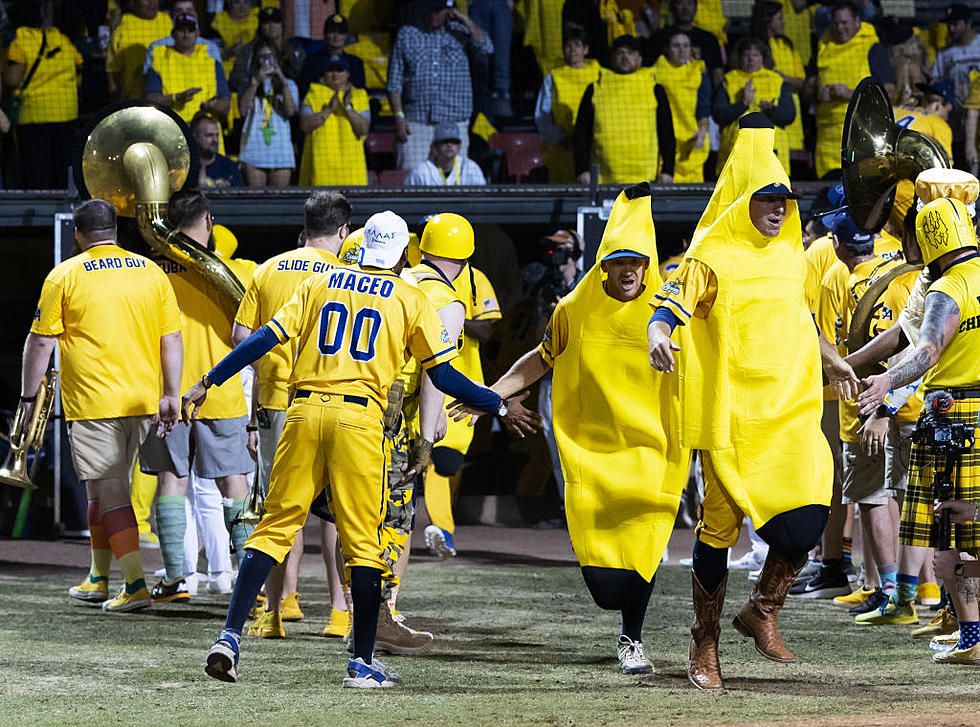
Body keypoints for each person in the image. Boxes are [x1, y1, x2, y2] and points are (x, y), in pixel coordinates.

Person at [193, 211, 527, 688]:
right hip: (360, 422)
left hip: (303, 411)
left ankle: (229, 636)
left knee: (273, 529)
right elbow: (445, 377)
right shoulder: (411, 297)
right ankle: (362, 662)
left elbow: (262, 339)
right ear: (401, 254)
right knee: (363, 544)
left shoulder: (320, 282)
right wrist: (498, 403)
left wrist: (207, 381)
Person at [451, 183, 689, 675]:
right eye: (619, 261)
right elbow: (539, 361)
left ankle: (632, 639)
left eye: (637, 261)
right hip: (591, 452)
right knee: (605, 586)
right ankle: (621, 617)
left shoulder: (666, 309)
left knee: (643, 553)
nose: (629, 271)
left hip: (653, 448)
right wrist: (488, 397)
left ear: (647, 264)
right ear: (603, 264)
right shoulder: (573, 309)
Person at [648, 114, 837, 690]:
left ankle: (763, 608)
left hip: (791, 416)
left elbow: (802, 324)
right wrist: (659, 330)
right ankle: (704, 646)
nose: (779, 207)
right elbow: (672, 303)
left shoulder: (791, 256)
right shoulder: (711, 255)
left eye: (784, 197)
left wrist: (836, 358)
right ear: (743, 199)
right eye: (767, 197)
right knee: (718, 533)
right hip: (733, 420)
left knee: (808, 518)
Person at [23, 199, 182, 612]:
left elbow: (41, 342)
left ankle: (135, 584)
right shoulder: (150, 271)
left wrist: (27, 396)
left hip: (95, 403)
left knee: (111, 492)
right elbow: (172, 339)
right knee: (100, 488)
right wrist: (171, 392)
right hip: (144, 400)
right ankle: (98, 577)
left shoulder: (65, 275)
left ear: (77, 234)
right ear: (116, 230)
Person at [857, 193, 980, 665]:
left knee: (951, 535)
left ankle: (971, 637)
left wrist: (888, 380)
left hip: (956, 419)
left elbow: (926, 351)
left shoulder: (948, 288)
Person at [232, 191, 348, 637]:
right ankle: (340, 614)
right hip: (333, 399)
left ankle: (279, 609)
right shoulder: (349, 274)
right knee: (337, 511)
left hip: (276, 402)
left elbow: (241, 337)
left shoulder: (266, 269)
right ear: (342, 231)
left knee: (279, 509)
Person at [138, 190, 254, 604]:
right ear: (208, 219)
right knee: (234, 483)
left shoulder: (150, 270)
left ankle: (174, 580)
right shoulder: (233, 269)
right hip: (218, 391)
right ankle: (249, 586)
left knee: (172, 480)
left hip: (166, 392)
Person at [406, 214, 500, 556]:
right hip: (426, 384)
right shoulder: (415, 278)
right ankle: (441, 530)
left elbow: (488, 330)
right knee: (436, 460)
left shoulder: (472, 280)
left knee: (445, 462)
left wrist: (451, 322)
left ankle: (432, 527)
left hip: (462, 382)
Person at [387, 0, 491, 171]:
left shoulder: (462, 33)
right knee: (412, 177)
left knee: (454, 182)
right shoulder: (407, 34)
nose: (435, 15)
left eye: (439, 10)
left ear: (449, 10)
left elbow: (486, 47)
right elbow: (394, 81)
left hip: (454, 122)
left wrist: (463, 19)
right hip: (417, 123)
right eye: (431, 9)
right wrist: (399, 116)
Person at [573, 35, 676, 185]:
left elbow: (666, 133)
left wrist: (667, 170)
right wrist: (582, 169)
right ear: (612, 58)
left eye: (631, 53)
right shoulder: (595, 88)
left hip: (646, 178)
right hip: (604, 178)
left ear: (639, 58)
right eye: (620, 52)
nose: (625, 57)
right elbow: (581, 133)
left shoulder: (655, 88)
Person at [810, 1, 895, 179]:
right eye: (835, 23)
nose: (840, 28)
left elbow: (890, 92)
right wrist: (816, 92)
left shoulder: (873, 47)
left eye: (844, 23)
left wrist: (850, 94)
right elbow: (808, 86)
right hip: (828, 144)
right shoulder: (823, 45)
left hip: (862, 139)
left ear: (857, 21)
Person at [2, 1, 83, 189]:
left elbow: (12, 80)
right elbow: (79, 65)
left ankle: (40, 215)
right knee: (61, 172)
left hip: (33, 117)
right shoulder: (62, 40)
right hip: (67, 115)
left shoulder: (20, 42)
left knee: (36, 174)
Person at [713, 35, 795, 175]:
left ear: (763, 58)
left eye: (755, 55)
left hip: (772, 152)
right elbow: (719, 115)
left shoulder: (777, 81)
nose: (751, 59)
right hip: (736, 151)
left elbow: (789, 116)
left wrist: (771, 110)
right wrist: (743, 103)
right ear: (739, 58)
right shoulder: (729, 80)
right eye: (746, 55)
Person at [534, 30, 601, 184]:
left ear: (586, 50)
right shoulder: (554, 76)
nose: (573, 50)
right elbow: (542, 114)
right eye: (568, 46)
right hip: (564, 146)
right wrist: (558, 137)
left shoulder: (600, 74)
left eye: (577, 46)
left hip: (594, 145)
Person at [146, 12, 232, 126]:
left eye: (190, 30)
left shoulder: (212, 63)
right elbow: (150, 99)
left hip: (207, 133)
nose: (186, 35)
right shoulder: (159, 60)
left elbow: (226, 104)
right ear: (172, 34)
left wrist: (211, 106)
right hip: (172, 129)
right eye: (181, 30)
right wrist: (176, 98)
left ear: (198, 34)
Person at [298, 56, 370, 186]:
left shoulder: (360, 95)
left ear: (347, 73)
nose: (335, 74)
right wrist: (328, 110)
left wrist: (348, 108)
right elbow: (304, 125)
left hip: (352, 169)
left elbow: (364, 129)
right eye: (330, 70)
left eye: (340, 70)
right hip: (321, 168)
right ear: (324, 73)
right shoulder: (313, 94)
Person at [652, 31, 711, 183]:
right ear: (667, 49)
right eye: (676, 45)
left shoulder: (699, 73)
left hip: (692, 139)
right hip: (664, 140)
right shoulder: (655, 72)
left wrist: (703, 130)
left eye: (686, 45)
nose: (681, 50)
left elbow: (703, 108)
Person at [237, 40, 298, 187]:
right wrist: (256, 82)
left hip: (281, 151)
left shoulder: (289, 84)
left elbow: (290, 111)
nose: (267, 61)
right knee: (256, 202)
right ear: (256, 60)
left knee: (280, 202)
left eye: (270, 56)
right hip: (253, 150)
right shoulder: (248, 83)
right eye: (262, 57)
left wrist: (283, 83)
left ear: (277, 58)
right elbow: (243, 110)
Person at [750, 1, 805, 160]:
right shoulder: (754, 47)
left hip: (788, 108)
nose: (783, 22)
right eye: (779, 18)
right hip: (760, 107)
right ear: (768, 21)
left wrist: (782, 78)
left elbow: (801, 81)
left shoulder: (787, 46)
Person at [930, 4, 980, 167]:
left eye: (955, 24)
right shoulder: (945, 54)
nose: (951, 29)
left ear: (968, 23)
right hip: (956, 121)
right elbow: (936, 83)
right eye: (948, 25)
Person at [644, 0, 724, 87]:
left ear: (696, 8)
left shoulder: (709, 39)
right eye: (680, 3)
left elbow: (718, 74)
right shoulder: (658, 38)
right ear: (671, 8)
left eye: (689, 3)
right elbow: (648, 72)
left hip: (702, 94)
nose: (685, 8)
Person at [229, 7, 304, 95]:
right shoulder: (248, 50)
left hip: (288, 94)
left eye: (275, 21)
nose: (271, 26)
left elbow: (301, 80)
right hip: (256, 96)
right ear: (260, 26)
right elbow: (235, 79)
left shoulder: (295, 50)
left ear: (282, 25)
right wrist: (255, 81)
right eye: (266, 22)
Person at [106, 0, 172, 100]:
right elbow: (112, 70)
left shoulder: (167, 21)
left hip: (168, 97)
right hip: (134, 99)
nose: (152, 3)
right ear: (132, 2)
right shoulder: (122, 27)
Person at [299, 14, 366, 96]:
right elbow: (304, 91)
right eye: (332, 31)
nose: (336, 36)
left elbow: (360, 94)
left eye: (341, 32)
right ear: (324, 34)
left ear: (346, 36)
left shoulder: (356, 64)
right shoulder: (311, 62)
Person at [405, 123, 487, 186]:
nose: (449, 145)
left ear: (459, 146)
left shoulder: (471, 168)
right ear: (435, 146)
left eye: (453, 142)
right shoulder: (420, 172)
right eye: (444, 141)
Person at [190, 113, 242, 188]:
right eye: (209, 135)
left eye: (217, 135)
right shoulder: (186, 168)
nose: (215, 140)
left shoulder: (230, 168)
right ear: (195, 136)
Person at [211, 0, 259, 77]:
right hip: (227, 69)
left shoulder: (257, 16)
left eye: (246, 2)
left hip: (253, 67)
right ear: (229, 3)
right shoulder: (218, 21)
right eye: (237, 2)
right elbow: (215, 56)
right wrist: (231, 52)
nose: (242, 7)